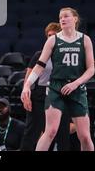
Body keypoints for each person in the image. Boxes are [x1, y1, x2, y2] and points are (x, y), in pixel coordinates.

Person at [21, 7, 95, 151]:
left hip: (77, 89)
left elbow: (91, 69)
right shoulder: (52, 40)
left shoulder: (85, 40)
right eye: (60, 17)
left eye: (66, 16)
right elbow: (39, 65)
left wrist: (76, 83)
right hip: (56, 88)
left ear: (75, 19)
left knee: (85, 136)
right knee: (50, 131)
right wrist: (27, 85)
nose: (62, 19)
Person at [20, 22, 71, 151]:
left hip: (58, 94)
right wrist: (26, 94)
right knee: (32, 130)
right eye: (49, 35)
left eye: (54, 35)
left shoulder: (65, 55)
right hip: (39, 94)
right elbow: (29, 77)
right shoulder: (40, 54)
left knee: (57, 131)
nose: (51, 38)